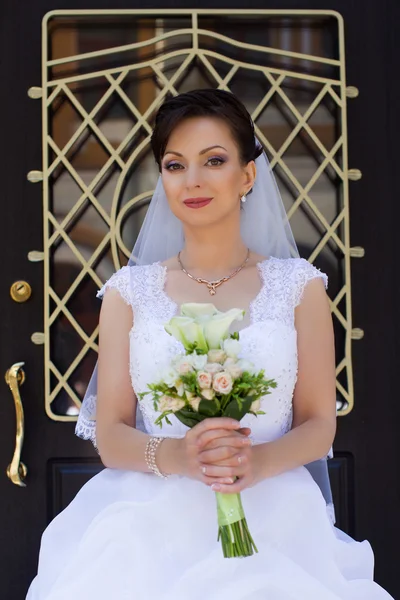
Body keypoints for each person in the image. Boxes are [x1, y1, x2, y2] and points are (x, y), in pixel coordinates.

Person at [26, 89, 393, 599]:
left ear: (247, 176)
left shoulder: (299, 287)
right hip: (150, 524)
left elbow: (319, 423)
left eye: (214, 161)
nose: (192, 180)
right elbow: (111, 435)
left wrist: (258, 464)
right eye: (175, 165)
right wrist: (179, 456)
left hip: (277, 516)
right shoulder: (128, 294)